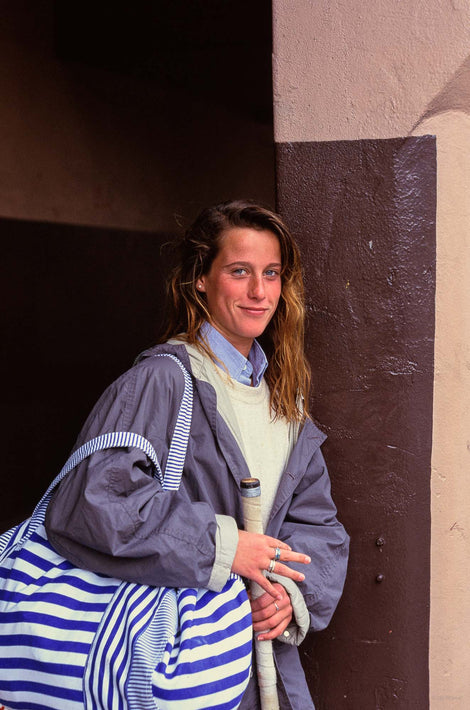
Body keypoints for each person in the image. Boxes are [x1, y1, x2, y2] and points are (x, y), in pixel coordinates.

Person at [45, 199, 349, 709]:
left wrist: (289, 595)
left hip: (259, 664)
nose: (259, 292)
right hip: (174, 661)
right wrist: (225, 546)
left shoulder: (283, 397)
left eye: (271, 274)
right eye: (239, 271)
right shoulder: (163, 380)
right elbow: (90, 502)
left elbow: (317, 524)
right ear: (200, 280)